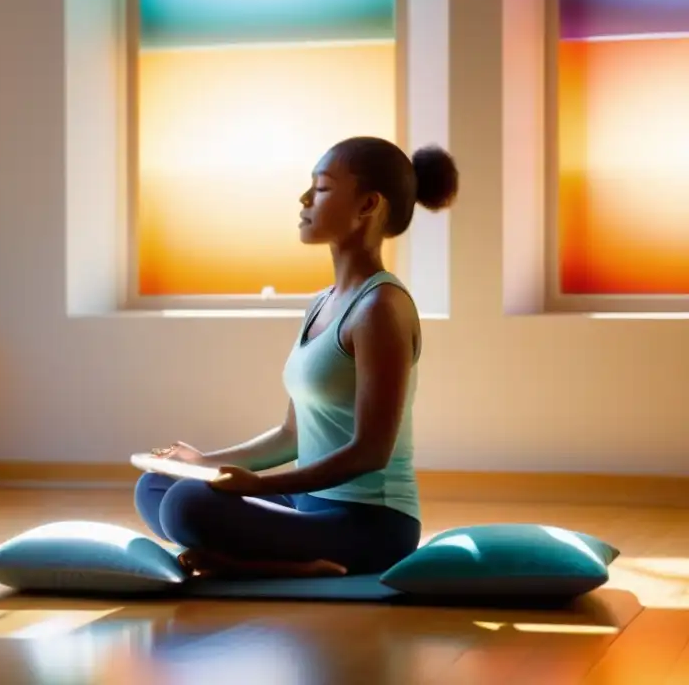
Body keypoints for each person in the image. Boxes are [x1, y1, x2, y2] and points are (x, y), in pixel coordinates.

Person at [134, 136, 459, 579]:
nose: (304, 199)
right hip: (309, 506)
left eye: (322, 188)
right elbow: (292, 434)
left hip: (369, 525)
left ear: (367, 205)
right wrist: (204, 463)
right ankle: (262, 559)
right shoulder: (322, 303)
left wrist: (260, 485)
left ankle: (271, 565)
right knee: (159, 485)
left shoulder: (380, 308)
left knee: (188, 506)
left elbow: (371, 452)